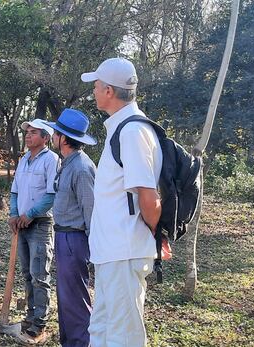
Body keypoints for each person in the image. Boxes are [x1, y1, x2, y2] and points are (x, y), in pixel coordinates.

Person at [81, 57, 162, 347]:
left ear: (109, 92)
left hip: (123, 250)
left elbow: (149, 198)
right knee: (101, 330)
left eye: (97, 85)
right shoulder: (121, 129)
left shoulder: (132, 132)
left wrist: (153, 233)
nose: (93, 91)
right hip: (110, 252)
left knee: (122, 337)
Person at [46, 109, 97, 347]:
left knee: (75, 298)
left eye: (55, 133)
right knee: (66, 297)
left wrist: (93, 249)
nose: (52, 137)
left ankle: (80, 343)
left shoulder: (82, 168)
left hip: (74, 239)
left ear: (64, 139)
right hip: (63, 236)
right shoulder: (67, 163)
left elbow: (91, 212)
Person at [8, 118, 59, 340]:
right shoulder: (23, 160)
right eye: (27, 132)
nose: (28, 136)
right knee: (27, 274)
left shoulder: (51, 160)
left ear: (45, 138)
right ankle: (29, 316)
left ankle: (39, 323)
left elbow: (51, 195)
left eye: (34, 132)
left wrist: (30, 214)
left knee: (40, 275)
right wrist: (13, 214)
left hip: (40, 224)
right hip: (21, 224)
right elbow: (15, 191)